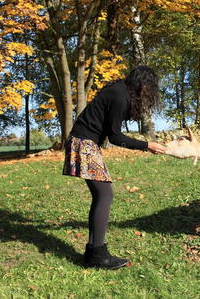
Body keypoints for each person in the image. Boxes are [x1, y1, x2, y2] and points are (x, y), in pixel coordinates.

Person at [62, 65, 167, 270]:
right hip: (84, 144)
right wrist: (147, 145)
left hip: (86, 142)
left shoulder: (120, 91)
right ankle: (97, 255)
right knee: (104, 195)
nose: (150, 93)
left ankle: (94, 253)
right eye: (149, 87)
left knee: (103, 195)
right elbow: (115, 137)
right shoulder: (119, 96)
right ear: (142, 84)